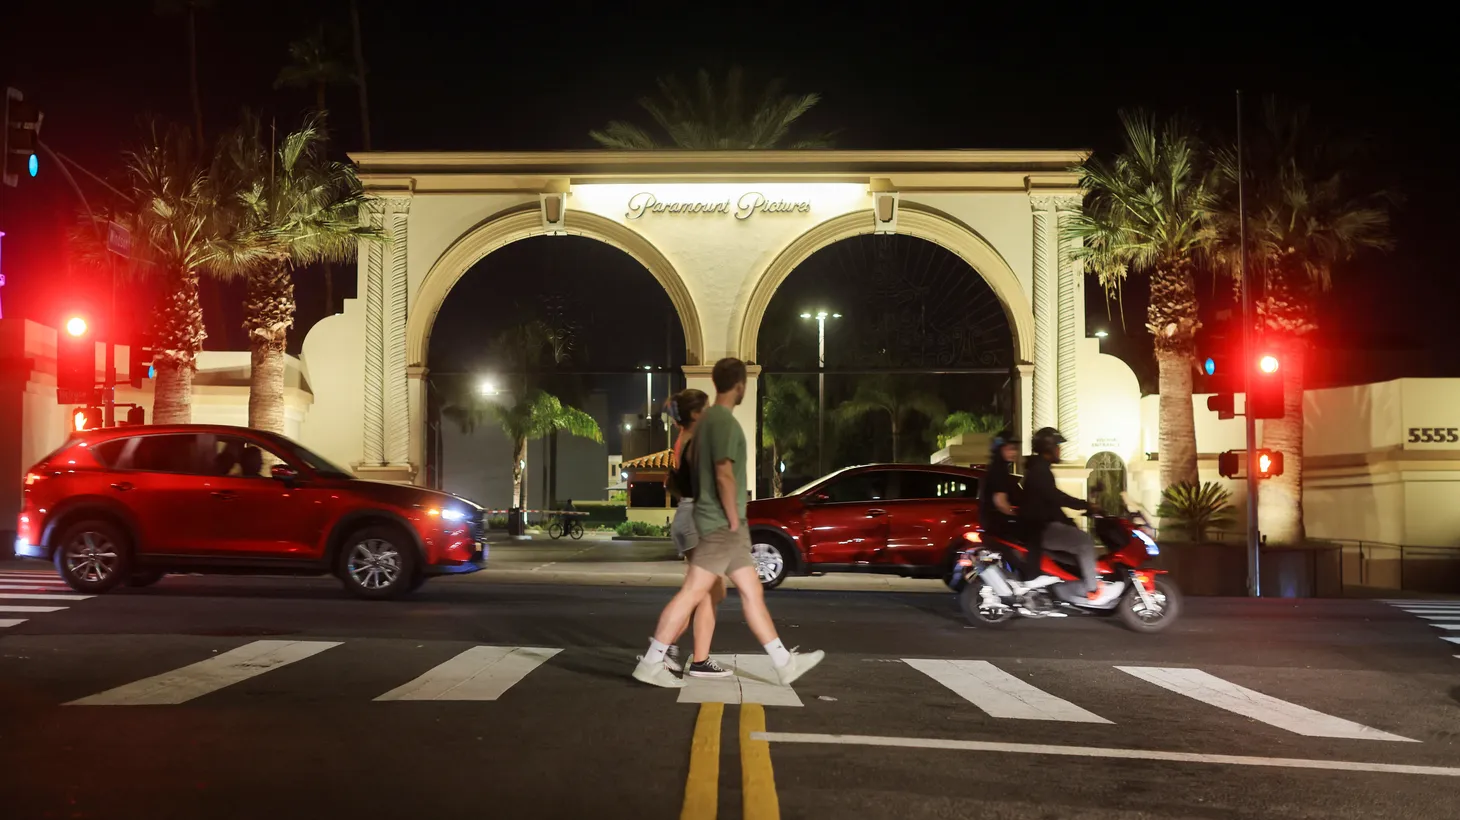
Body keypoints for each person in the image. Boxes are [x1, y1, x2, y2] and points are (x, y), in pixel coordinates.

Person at [632, 358, 825, 689]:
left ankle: (784, 663)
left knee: (751, 592)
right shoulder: (723, 424)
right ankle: (652, 661)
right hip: (723, 525)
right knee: (694, 592)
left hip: (722, 525)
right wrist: (734, 518)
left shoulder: (705, 425)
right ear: (740, 385)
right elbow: (723, 472)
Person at [660, 388, 731, 678]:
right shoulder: (697, 441)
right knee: (697, 592)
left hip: (692, 517)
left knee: (712, 591)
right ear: (695, 414)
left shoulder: (686, 439)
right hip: (697, 518)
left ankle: (693, 657)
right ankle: (666, 649)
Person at [1019, 427, 1125, 606]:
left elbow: (1050, 501)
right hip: (1040, 528)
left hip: (1041, 525)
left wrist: (1078, 513)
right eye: (1057, 445)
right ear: (1048, 447)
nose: (1060, 450)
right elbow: (1055, 497)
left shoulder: (1039, 469)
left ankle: (1072, 586)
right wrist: (1086, 505)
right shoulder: (1039, 470)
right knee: (1084, 542)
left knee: (1075, 536)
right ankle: (1093, 590)